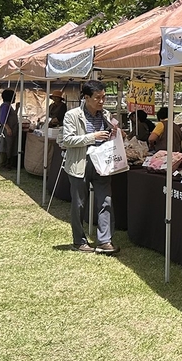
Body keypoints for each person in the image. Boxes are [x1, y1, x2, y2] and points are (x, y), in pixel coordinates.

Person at [59, 80, 119, 254]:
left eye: (104, 97)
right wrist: (92, 137)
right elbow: (67, 140)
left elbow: (113, 134)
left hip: (102, 164)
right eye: (97, 98)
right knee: (78, 204)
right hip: (79, 164)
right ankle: (79, 241)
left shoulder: (106, 115)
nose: (101, 101)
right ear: (86, 97)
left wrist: (116, 134)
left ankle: (104, 241)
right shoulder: (72, 115)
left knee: (106, 201)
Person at [0, 89, 19, 169]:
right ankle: (3, 164)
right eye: (14, 97)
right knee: (5, 146)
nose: (15, 98)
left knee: (10, 146)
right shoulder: (5, 106)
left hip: (10, 130)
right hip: (6, 130)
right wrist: (8, 128)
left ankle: (9, 163)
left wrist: (17, 109)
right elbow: (3, 119)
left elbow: (12, 116)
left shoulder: (9, 106)